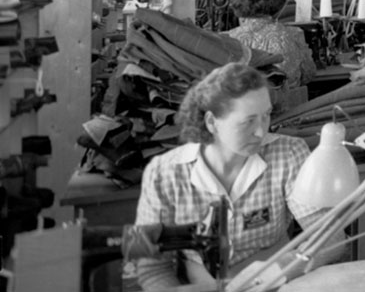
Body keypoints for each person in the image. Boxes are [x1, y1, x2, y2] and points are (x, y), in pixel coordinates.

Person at [131, 63, 332, 289]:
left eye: (266, 116)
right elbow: (151, 264)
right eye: (248, 121)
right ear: (211, 122)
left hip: (276, 284)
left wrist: (282, 268)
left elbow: (330, 238)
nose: (261, 131)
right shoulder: (164, 173)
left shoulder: (288, 154)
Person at [226, 0, 316, 88]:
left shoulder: (228, 39)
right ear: (280, 4)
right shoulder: (293, 35)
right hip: (287, 104)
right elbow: (308, 75)